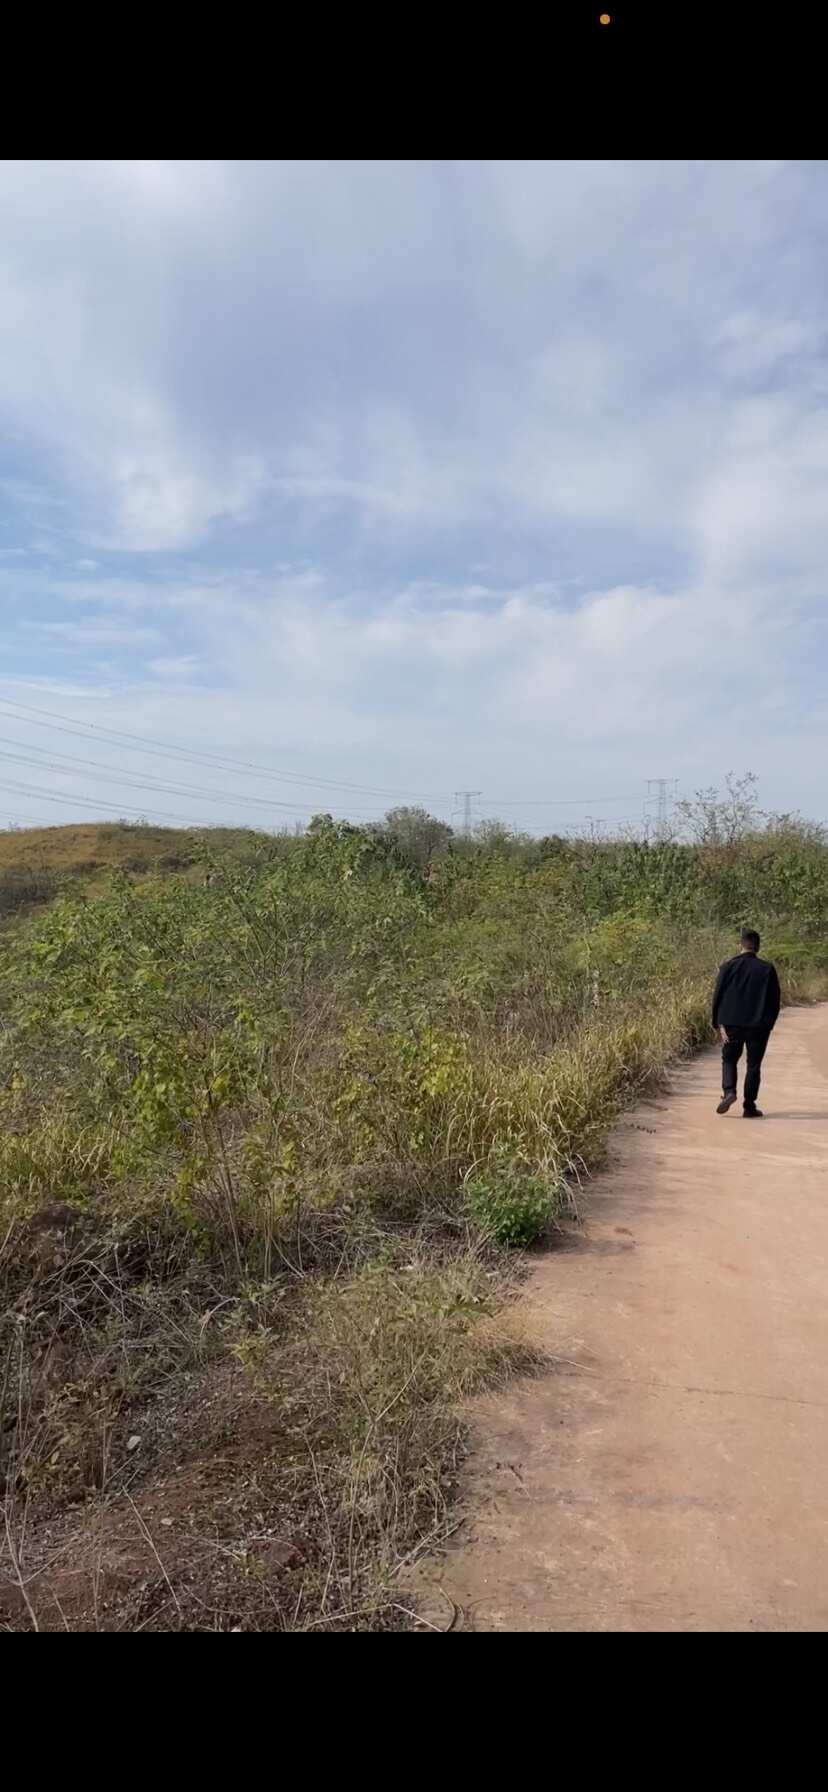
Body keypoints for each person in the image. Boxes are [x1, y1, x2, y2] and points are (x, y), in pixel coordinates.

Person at [711, 928, 781, 1118]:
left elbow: (718, 996)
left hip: (731, 1024)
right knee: (753, 1065)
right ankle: (749, 1107)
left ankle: (729, 1092)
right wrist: (769, 1025)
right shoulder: (767, 969)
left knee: (729, 1059)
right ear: (758, 947)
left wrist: (718, 1024)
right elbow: (775, 1001)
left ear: (741, 945)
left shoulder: (728, 966)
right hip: (758, 1026)